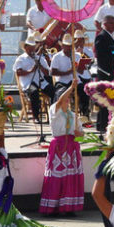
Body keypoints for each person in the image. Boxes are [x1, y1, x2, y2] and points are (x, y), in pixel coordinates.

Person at [39, 82, 84, 215]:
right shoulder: (55, 111)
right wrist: (71, 87)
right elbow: (59, 102)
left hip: (71, 148)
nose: (67, 100)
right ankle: (52, 208)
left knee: (71, 178)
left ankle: (69, 207)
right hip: (59, 147)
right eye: (65, 97)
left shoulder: (73, 116)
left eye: (69, 98)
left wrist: (79, 134)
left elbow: (81, 136)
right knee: (56, 177)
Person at [13, 36, 52, 122]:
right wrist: (31, 71)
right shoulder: (21, 59)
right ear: (26, 48)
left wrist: (40, 66)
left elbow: (47, 73)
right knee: (34, 93)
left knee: (53, 91)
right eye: (30, 49)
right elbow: (18, 72)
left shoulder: (39, 58)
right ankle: (36, 117)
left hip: (41, 82)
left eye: (33, 49)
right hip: (28, 84)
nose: (32, 51)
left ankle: (54, 114)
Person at [94, 15, 114, 134]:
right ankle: (102, 126)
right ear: (105, 24)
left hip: (113, 74)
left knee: (110, 102)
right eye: (111, 23)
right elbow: (102, 57)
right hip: (106, 74)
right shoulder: (101, 37)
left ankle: (104, 124)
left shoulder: (112, 37)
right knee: (105, 102)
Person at [74, 30, 94, 122]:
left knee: (91, 88)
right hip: (76, 77)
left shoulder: (88, 51)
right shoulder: (71, 52)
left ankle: (86, 113)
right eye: (78, 40)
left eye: (81, 40)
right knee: (82, 90)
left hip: (87, 76)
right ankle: (84, 113)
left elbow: (92, 62)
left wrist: (83, 54)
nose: (80, 43)